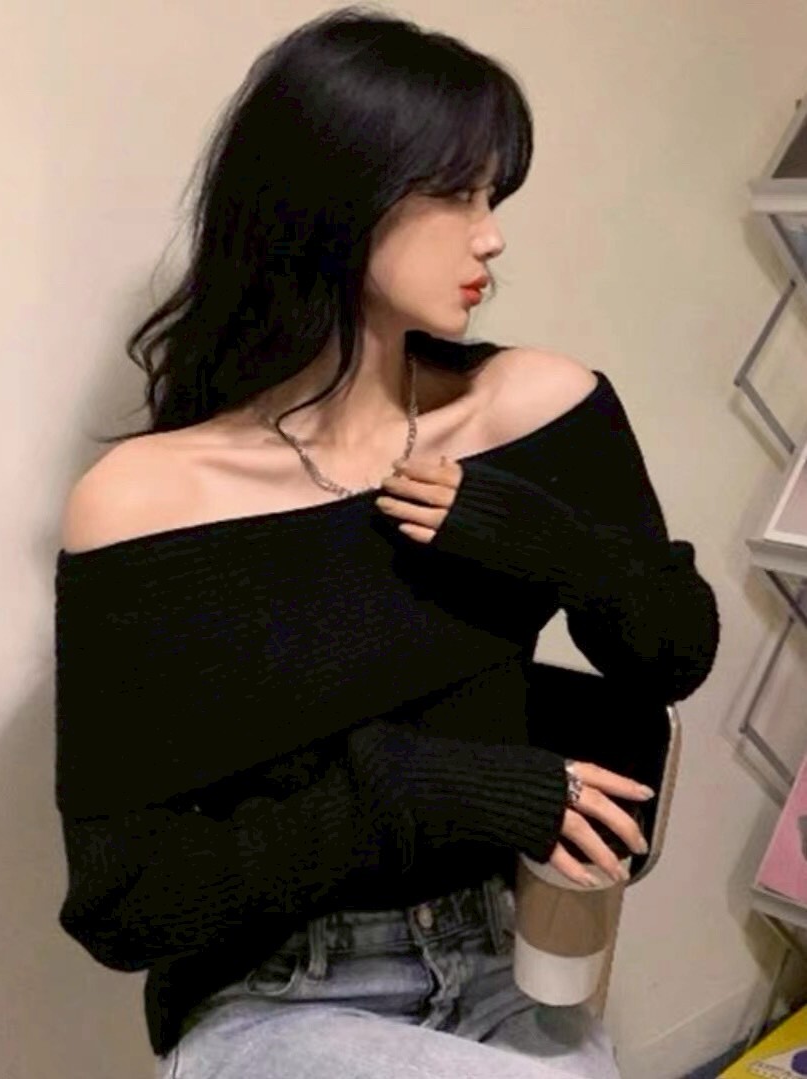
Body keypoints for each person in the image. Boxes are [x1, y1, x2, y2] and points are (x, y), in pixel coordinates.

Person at [52, 6, 720, 1078]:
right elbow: (123, 900)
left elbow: (672, 652)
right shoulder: (147, 503)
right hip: (275, 994)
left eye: (493, 196)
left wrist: (535, 534)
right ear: (335, 195)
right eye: (454, 194)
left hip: (506, 965)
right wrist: (410, 788)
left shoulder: (535, 408)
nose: (490, 235)